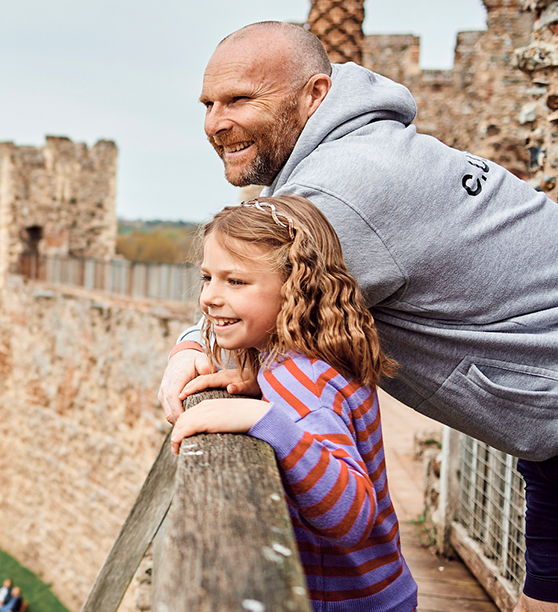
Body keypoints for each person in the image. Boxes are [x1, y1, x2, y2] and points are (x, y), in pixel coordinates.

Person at [162, 21, 558, 611]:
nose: (215, 123)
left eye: (240, 99)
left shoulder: (347, 190)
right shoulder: (362, 155)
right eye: (209, 103)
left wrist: (192, 353)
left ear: (315, 96)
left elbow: (263, 295)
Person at [168, 196, 417, 610]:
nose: (210, 297)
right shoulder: (305, 358)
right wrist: (264, 394)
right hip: (379, 590)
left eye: (236, 281)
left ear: (293, 287)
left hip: (346, 601)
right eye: (207, 277)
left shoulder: (298, 377)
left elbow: (353, 514)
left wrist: (264, 418)